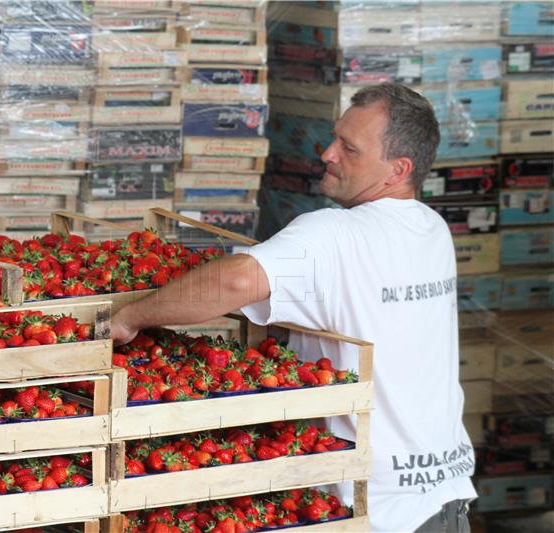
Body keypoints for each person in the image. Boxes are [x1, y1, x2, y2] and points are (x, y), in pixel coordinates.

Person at [111, 83, 476, 533]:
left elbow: (237, 279)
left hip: (368, 509)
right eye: (334, 137)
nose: (327, 153)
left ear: (398, 169)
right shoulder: (431, 229)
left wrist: (129, 318)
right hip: (444, 498)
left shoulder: (333, 235)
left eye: (349, 146)